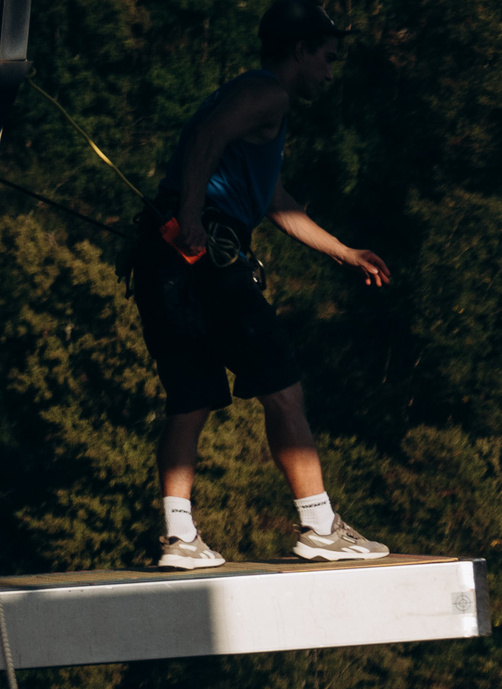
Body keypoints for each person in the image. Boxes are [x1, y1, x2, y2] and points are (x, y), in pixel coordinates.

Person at [132, 0, 391, 570]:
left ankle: (179, 536)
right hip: (206, 252)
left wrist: (342, 251)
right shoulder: (267, 91)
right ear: (299, 51)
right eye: (326, 57)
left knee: (192, 397)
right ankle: (320, 525)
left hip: (165, 256)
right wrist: (197, 218)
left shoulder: (253, 105)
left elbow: (273, 200)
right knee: (283, 390)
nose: (329, 70)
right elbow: (204, 139)